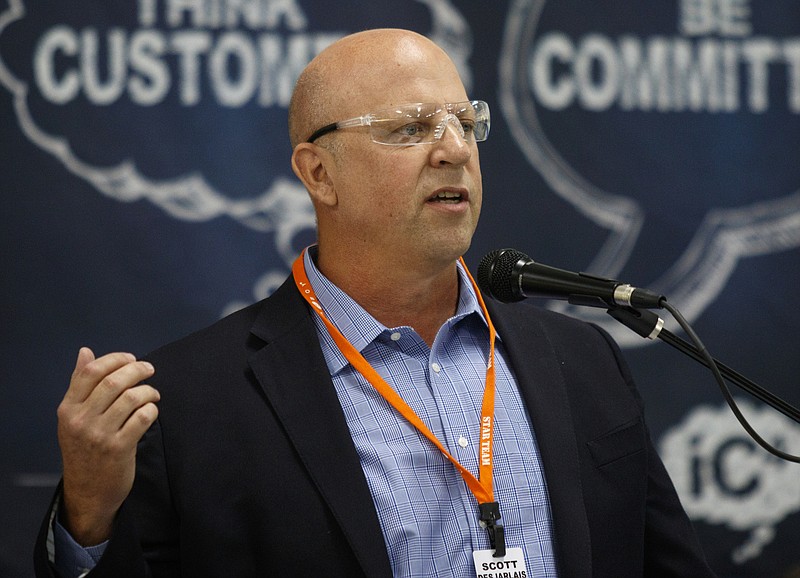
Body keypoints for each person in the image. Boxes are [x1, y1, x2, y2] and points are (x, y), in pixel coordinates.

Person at [35, 28, 716, 578]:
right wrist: (89, 518)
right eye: (411, 129)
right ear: (319, 173)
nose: (454, 150)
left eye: (463, 122)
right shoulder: (187, 404)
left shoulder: (583, 361)